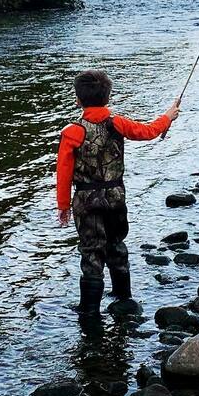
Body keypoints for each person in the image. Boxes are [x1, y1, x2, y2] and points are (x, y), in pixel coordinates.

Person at [56, 69, 181, 315]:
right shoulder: (117, 122)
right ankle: (123, 297)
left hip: (85, 200)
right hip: (115, 197)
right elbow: (148, 131)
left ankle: (89, 309)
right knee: (116, 243)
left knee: (91, 249)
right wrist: (168, 117)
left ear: (77, 99)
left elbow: (63, 173)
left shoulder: (72, 132)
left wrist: (63, 206)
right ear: (108, 97)